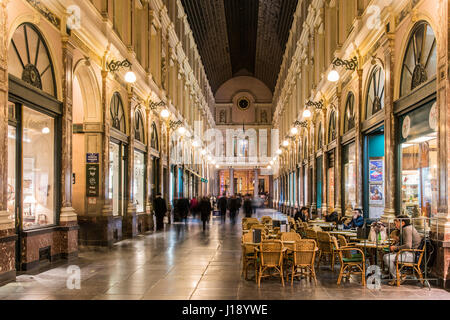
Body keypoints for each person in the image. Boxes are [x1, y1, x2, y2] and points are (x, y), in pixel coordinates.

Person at [383, 215, 422, 285]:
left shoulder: (406, 229)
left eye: (396, 222)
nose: (395, 223)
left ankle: (399, 277)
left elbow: (408, 246)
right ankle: (394, 275)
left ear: (403, 223)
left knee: (387, 258)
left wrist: (395, 248)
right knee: (387, 256)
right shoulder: (407, 228)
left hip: (412, 256)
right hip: (411, 254)